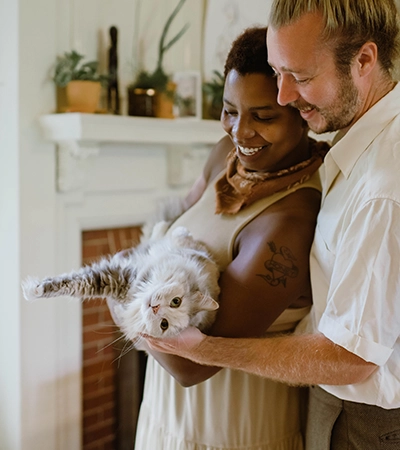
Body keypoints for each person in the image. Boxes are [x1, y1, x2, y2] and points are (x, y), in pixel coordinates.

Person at [145, 1, 400, 449]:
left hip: (363, 420)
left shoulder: (382, 186)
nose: (283, 96)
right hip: (323, 399)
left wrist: (203, 349)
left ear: (363, 61)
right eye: (279, 72)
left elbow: (350, 357)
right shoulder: (351, 145)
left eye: (299, 77)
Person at [122, 26, 330, 450]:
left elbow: (190, 364)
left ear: (302, 111)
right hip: (167, 416)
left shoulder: (289, 221)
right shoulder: (225, 156)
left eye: (263, 116)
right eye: (229, 110)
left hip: (233, 427)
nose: (240, 131)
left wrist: (120, 290)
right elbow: (170, 228)